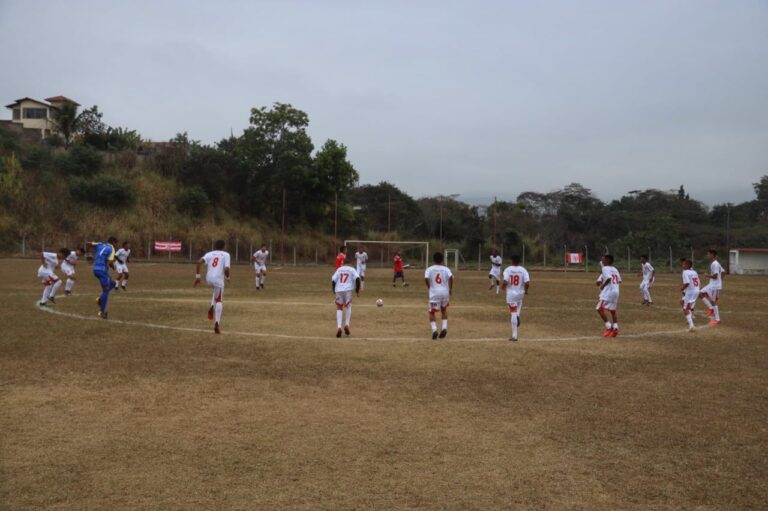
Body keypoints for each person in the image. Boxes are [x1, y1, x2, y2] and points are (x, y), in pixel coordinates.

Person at [194, 239, 231, 334]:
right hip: (218, 279)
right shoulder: (226, 254)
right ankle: (217, 324)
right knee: (219, 300)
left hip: (209, 278)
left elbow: (198, 262)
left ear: (215, 246)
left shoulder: (209, 254)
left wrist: (198, 277)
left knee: (216, 291)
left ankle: (211, 305)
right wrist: (228, 277)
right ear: (224, 246)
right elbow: (226, 269)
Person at [425, 252, 453, 339]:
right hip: (445, 292)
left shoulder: (429, 269)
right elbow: (451, 277)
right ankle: (444, 328)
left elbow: (426, 278)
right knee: (444, 309)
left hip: (434, 292)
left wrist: (430, 286)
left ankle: (435, 330)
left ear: (433, 259)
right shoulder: (446, 269)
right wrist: (450, 288)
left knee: (431, 312)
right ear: (442, 260)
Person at [501, 254, 530, 341]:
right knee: (519, 301)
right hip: (520, 293)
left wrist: (503, 287)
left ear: (512, 260)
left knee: (512, 312)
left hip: (511, 295)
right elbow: (527, 282)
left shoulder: (508, 269)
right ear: (519, 261)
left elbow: (505, 280)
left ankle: (514, 336)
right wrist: (526, 290)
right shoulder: (523, 270)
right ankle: (517, 314)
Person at [88, 237, 118, 319]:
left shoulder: (100, 244)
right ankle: (101, 312)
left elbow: (89, 243)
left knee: (113, 283)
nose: (116, 245)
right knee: (106, 291)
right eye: (116, 243)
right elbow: (110, 262)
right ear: (113, 242)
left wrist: (88, 254)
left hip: (95, 270)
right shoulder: (111, 248)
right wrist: (113, 267)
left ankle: (100, 299)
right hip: (102, 271)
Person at [330, 260, 361, 337]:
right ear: (350, 263)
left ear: (343, 263)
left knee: (339, 308)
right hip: (348, 290)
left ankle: (339, 327)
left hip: (339, 290)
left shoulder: (339, 269)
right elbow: (357, 279)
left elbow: (333, 280)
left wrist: (334, 290)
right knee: (348, 306)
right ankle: (347, 325)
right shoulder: (352, 269)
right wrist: (357, 290)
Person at [596, 254, 621, 337]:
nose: (603, 261)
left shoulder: (605, 268)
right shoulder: (615, 269)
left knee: (599, 308)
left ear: (608, 261)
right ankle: (616, 329)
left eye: (604, 260)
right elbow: (619, 281)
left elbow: (609, 278)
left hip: (609, 292)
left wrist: (603, 285)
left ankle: (609, 327)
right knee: (613, 311)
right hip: (616, 291)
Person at [699, 249, 725, 325]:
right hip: (713, 285)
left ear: (712, 255)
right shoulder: (716, 263)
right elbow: (723, 272)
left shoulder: (715, 264)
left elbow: (715, 276)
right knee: (700, 293)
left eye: (708, 254)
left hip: (714, 286)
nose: (707, 256)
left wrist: (707, 275)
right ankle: (711, 309)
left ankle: (717, 319)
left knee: (713, 302)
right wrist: (720, 281)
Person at [680, 258, 700, 332]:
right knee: (682, 302)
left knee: (685, 308)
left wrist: (682, 288)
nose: (683, 265)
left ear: (688, 265)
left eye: (684, 264)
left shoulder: (685, 272)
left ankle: (691, 326)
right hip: (696, 290)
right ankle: (691, 316)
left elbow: (687, 283)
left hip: (690, 292)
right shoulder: (694, 272)